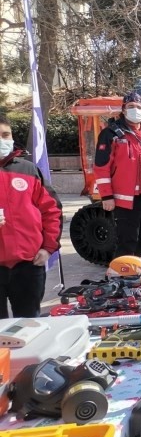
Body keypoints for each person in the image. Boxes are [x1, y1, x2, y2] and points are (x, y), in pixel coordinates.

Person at [0, 116, 62, 317]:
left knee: (29, 328)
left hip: (28, 265)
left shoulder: (28, 170)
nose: (2, 140)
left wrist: (48, 248)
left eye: (5, 135)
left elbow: (52, 211)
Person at [94, 91, 141, 258]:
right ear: (123, 109)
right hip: (126, 199)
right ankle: (123, 276)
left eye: (138, 106)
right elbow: (101, 167)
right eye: (130, 106)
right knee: (127, 241)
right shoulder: (111, 133)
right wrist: (106, 196)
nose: (135, 110)